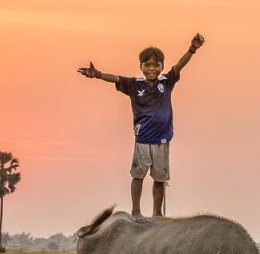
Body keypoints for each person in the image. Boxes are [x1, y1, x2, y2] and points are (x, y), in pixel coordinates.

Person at [78, 33, 205, 223]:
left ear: (161, 66)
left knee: (160, 178)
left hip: (162, 139)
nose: (152, 68)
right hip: (143, 139)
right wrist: (98, 74)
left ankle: (157, 213)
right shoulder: (134, 85)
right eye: (147, 65)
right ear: (141, 67)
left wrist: (192, 50)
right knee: (138, 176)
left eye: (156, 65)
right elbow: (116, 78)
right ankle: (136, 211)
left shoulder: (166, 82)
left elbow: (179, 65)